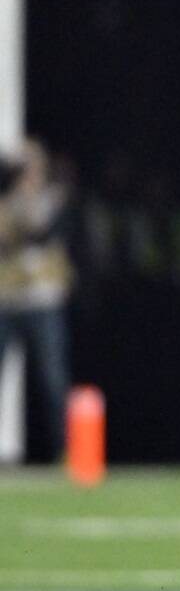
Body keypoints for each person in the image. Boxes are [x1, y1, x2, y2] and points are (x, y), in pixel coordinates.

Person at [0, 139, 73, 461]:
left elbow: (39, 229)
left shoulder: (53, 199)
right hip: (8, 300)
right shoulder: (6, 203)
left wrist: (31, 194)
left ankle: (65, 450)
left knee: (53, 377)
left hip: (43, 301)